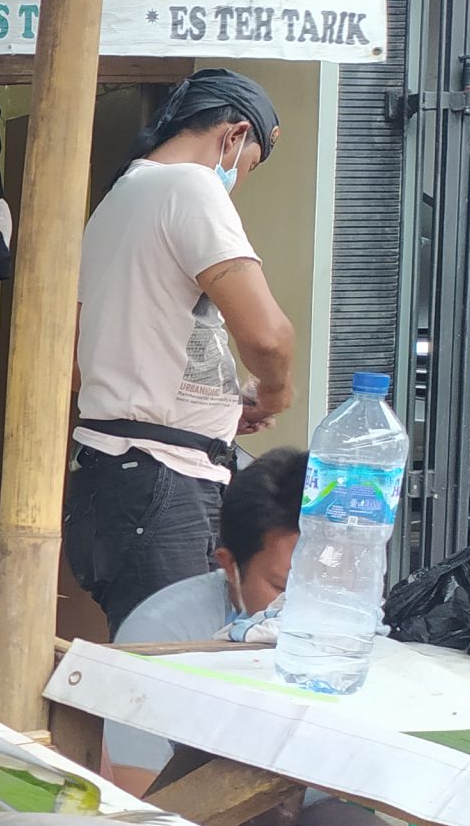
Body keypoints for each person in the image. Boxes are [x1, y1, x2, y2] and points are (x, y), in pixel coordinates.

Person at [105, 446, 428, 826]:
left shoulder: (358, 625)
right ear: (228, 565)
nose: (305, 609)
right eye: (280, 587)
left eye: (325, 584)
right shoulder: (159, 633)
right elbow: (140, 804)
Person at [65, 69, 298, 633]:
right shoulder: (190, 187)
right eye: (249, 165)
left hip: (116, 477)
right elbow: (268, 335)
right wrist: (274, 391)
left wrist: (221, 403)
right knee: (176, 678)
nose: (240, 179)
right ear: (233, 136)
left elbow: (92, 362)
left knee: (156, 662)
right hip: (160, 483)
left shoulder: (120, 199)